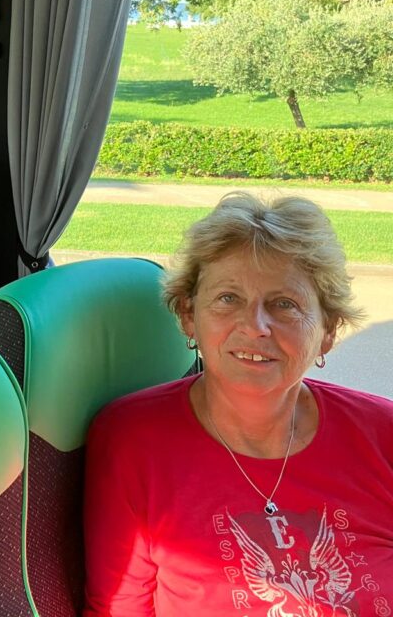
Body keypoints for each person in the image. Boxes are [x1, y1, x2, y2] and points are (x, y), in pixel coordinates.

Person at [83, 193, 393, 615]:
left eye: (285, 304)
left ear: (328, 331)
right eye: (229, 298)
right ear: (189, 316)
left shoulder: (383, 434)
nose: (255, 326)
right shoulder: (133, 441)